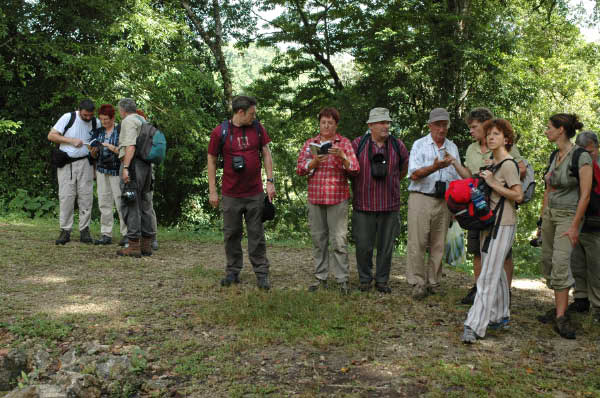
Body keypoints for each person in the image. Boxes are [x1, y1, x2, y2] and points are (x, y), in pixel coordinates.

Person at [461, 119, 523, 343]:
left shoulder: (508, 164)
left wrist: (494, 184)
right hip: (488, 223)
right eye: (488, 134)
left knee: (487, 274)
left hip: (503, 223)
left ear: (506, 139)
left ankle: (474, 325)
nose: (490, 137)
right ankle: (500, 316)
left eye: (496, 134)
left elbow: (518, 195)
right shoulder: (492, 164)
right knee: (493, 273)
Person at [207, 96, 276, 290]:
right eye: (251, 114)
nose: (254, 117)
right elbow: (211, 160)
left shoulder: (257, 128)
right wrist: (213, 190)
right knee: (231, 234)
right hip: (231, 194)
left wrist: (270, 182)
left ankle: (262, 273)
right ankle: (232, 272)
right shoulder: (220, 132)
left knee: (257, 234)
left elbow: (266, 153)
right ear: (240, 112)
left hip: (255, 193)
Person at [537, 114, 592, 339]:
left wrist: (574, 226)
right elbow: (548, 190)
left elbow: (586, 195)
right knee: (548, 261)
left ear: (561, 130)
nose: (546, 131)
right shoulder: (554, 155)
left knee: (561, 263)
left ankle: (561, 317)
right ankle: (558, 308)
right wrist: (541, 222)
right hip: (551, 215)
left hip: (569, 216)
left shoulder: (581, 157)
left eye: (549, 128)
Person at [406, 108, 471, 299]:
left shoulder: (452, 148)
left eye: (445, 125)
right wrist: (435, 167)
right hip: (421, 197)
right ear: (430, 126)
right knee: (417, 242)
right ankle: (417, 282)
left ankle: (433, 282)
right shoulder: (419, 145)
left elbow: (458, 179)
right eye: (438, 125)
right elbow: (414, 174)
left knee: (438, 243)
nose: (441, 129)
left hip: (444, 200)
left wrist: (455, 205)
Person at [297, 107, 359, 294]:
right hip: (316, 197)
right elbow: (300, 168)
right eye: (323, 122)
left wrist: (342, 157)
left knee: (339, 240)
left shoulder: (344, 143)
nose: (326, 125)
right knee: (319, 239)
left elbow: (355, 169)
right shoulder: (310, 143)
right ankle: (320, 277)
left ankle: (342, 280)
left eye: (330, 123)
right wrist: (313, 163)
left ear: (336, 125)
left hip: (337, 198)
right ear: (319, 123)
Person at [351, 108, 409, 293]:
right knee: (363, 245)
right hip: (363, 203)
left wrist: (392, 183)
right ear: (370, 125)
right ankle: (365, 280)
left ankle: (382, 281)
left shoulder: (397, 145)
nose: (386, 126)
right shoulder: (357, 144)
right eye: (381, 122)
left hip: (389, 204)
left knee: (386, 247)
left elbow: (404, 169)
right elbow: (349, 170)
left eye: (387, 122)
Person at [48, 99, 99, 245]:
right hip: (67, 163)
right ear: (79, 110)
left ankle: (85, 230)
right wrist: (71, 141)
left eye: (90, 115)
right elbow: (51, 135)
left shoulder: (96, 122)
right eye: (85, 115)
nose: (88, 118)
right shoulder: (68, 117)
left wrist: (95, 159)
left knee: (86, 197)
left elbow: (97, 144)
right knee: (66, 197)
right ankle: (65, 230)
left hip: (86, 163)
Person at [116, 98, 156, 257]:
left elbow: (130, 145)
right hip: (147, 167)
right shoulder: (143, 120)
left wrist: (125, 167)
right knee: (145, 204)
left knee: (130, 202)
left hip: (133, 166)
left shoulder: (128, 121)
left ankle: (133, 245)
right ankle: (146, 244)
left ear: (122, 110)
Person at [568, 131, 600, 321]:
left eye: (590, 151)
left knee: (596, 266)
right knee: (577, 262)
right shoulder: (575, 161)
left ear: (596, 147)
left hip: (596, 222)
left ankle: (598, 306)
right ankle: (581, 299)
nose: (588, 155)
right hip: (578, 220)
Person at [89, 104, 127, 246]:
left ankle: (127, 234)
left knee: (120, 202)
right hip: (101, 170)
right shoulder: (98, 132)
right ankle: (106, 234)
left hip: (117, 171)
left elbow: (126, 151)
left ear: (113, 118)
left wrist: (111, 148)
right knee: (104, 202)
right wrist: (93, 152)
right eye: (101, 119)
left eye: (106, 119)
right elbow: (93, 152)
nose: (104, 122)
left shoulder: (120, 130)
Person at [135, 109, 158, 251]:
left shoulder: (147, 134)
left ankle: (151, 238)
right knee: (145, 207)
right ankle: (144, 239)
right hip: (143, 174)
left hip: (146, 175)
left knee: (146, 206)